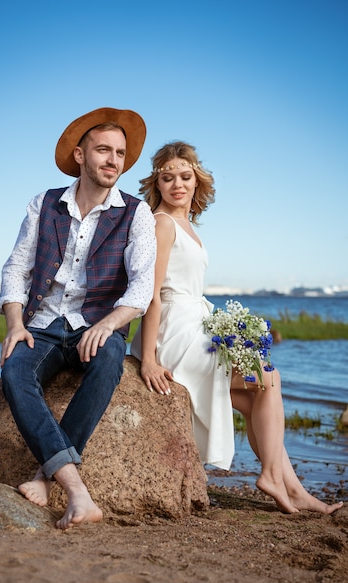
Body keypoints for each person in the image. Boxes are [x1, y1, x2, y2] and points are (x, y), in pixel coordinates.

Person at [130, 140, 343, 515]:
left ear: (197, 181)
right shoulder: (161, 224)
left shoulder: (187, 224)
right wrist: (148, 358)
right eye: (168, 177)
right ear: (157, 183)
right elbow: (151, 295)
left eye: (185, 176)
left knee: (257, 396)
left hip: (196, 322)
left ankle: (292, 488)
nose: (177, 184)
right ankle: (276, 480)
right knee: (268, 378)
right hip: (174, 331)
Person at [0, 107, 156, 530]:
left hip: (97, 326)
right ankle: (76, 491)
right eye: (103, 150)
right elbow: (16, 269)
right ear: (81, 155)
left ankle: (45, 477)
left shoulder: (136, 213)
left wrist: (107, 325)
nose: (114, 161)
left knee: (109, 361)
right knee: (15, 369)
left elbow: (142, 287)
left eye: (120, 153)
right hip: (44, 324)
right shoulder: (44, 203)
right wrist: (15, 324)